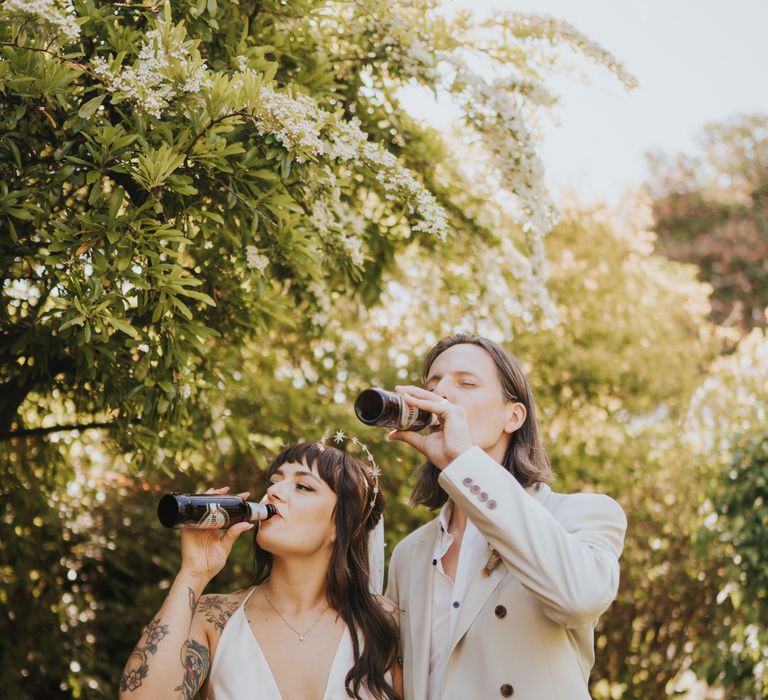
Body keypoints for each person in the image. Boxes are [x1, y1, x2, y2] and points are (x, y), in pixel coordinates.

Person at [385, 334, 627, 700]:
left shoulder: (581, 513)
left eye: (466, 383)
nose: (443, 395)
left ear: (513, 416)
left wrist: (465, 459)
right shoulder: (409, 553)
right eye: (433, 384)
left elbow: (581, 598)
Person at [119, 440, 402, 700]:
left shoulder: (386, 626)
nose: (273, 491)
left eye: (303, 486)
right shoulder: (214, 619)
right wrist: (193, 573)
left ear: (343, 527)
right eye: (274, 481)